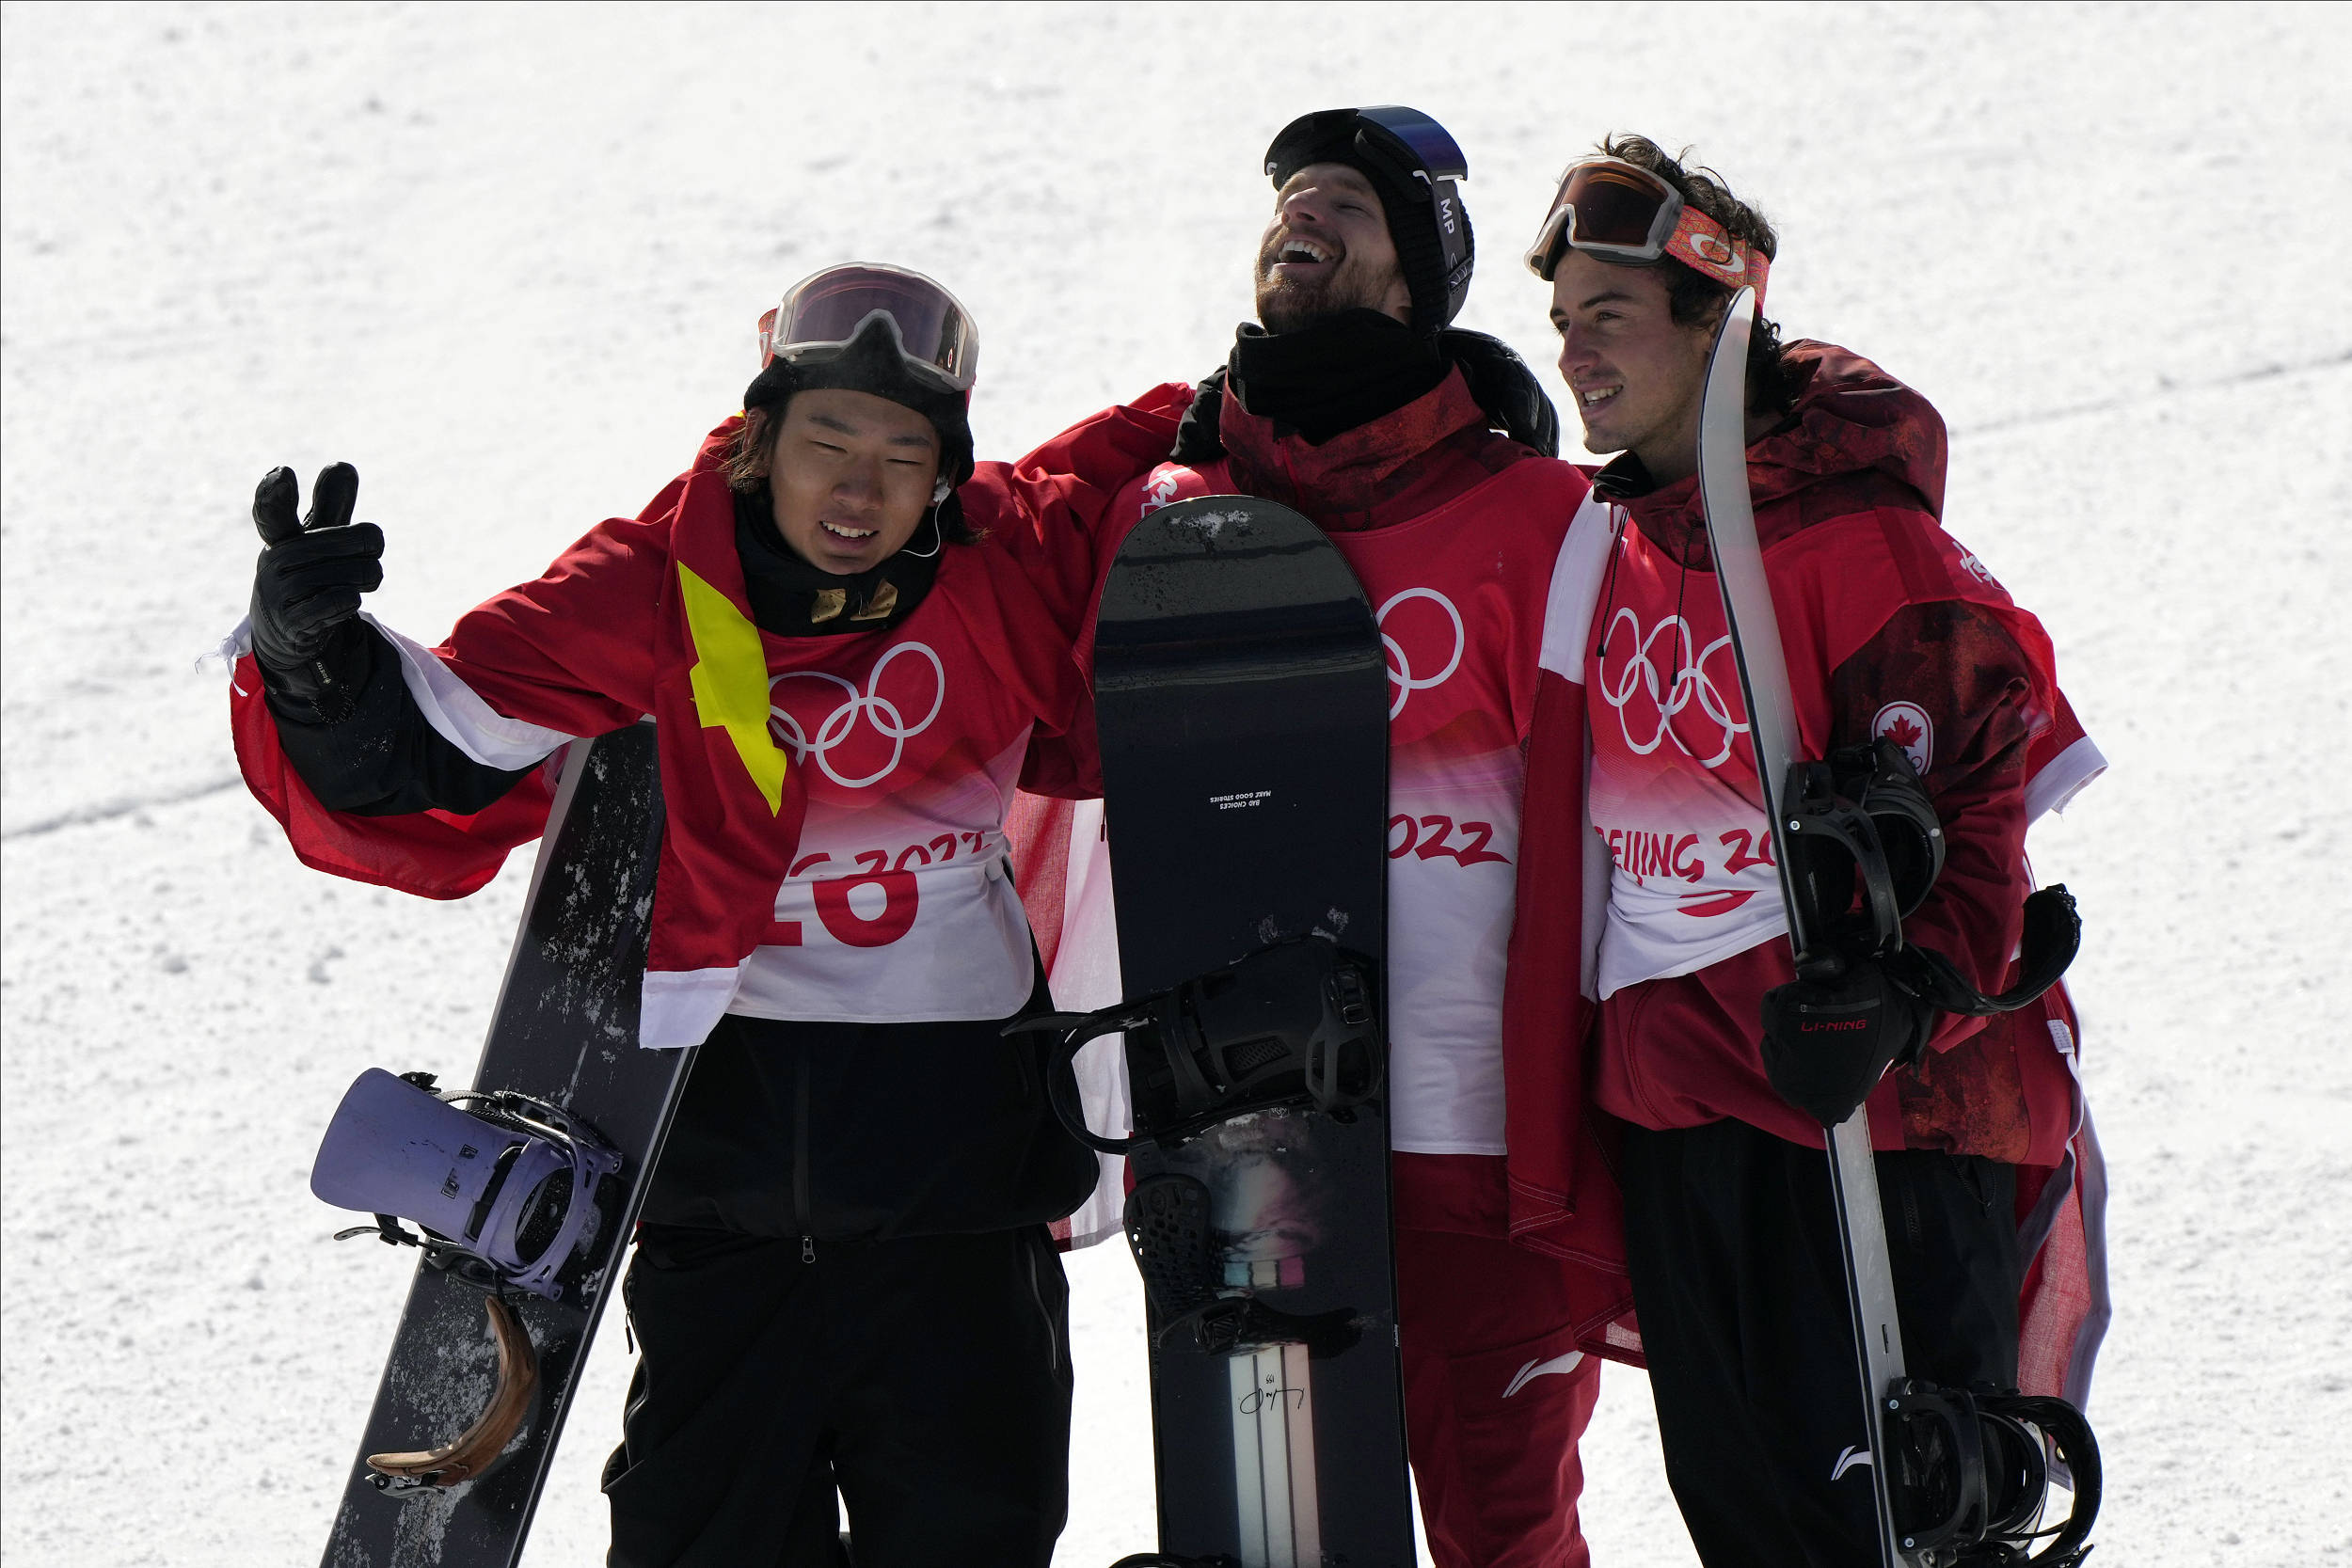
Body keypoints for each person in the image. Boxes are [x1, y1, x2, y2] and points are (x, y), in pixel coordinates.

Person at [223, 263, 1168, 1567]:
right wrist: (311, 664)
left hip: (957, 1157)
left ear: (946, 472)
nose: (859, 488)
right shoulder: (652, 585)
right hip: (723, 1163)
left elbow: (1182, 462)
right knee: (704, 1539)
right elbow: (441, 751)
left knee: (972, 1530)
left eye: (902, 455)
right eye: (828, 441)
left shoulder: (1003, 557)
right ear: (761, 442)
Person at [1007, 105, 1634, 1568]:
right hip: (1245, 1113)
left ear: (1421, 278)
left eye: (1348, 202)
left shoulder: (1549, 519)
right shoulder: (1178, 518)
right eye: (1292, 192)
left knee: (1505, 1526)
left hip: (1480, 1129)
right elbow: (976, 603)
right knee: (1278, 1525)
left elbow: (1675, 762)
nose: (1305, 213)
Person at [1521, 136, 2110, 1564]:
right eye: (1562, 323)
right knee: (1747, 1514)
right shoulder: (1606, 544)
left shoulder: (1856, 539)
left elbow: (1980, 792)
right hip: (1677, 1096)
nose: (1576, 356)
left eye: (1612, 315)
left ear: (1714, 318)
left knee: (1899, 1512)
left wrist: (1912, 992)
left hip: (1858, 1099)